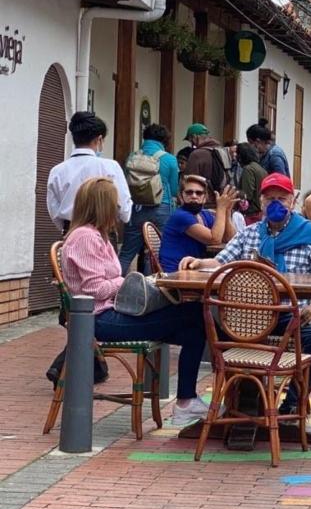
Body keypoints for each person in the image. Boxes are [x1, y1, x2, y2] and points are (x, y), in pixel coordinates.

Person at [180, 173, 311, 417]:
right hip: (250, 316)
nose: (275, 204)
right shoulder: (249, 234)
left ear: (292, 201)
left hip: (291, 315)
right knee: (208, 324)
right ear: (261, 202)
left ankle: (294, 403)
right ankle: (242, 402)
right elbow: (221, 262)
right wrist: (198, 263)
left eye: (281, 198)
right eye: (269, 198)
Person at [61, 177, 209, 427]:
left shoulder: (98, 235)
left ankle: (187, 400)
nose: (120, 208)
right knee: (195, 314)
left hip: (109, 312)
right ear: (103, 205)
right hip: (100, 319)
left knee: (194, 327)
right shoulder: (86, 238)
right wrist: (130, 281)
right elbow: (95, 289)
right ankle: (186, 400)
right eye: (115, 202)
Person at [46, 112, 132, 233]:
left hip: (71, 232)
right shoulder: (111, 167)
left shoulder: (57, 171)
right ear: (99, 139)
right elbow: (125, 211)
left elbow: (54, 211)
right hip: (103, 234)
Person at [115, 124, 178, 274]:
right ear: (165, 141)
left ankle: (115, 288)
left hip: (137, 208)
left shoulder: (132, 157)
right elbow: (174, 189)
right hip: (161, 208)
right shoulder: (170, 159)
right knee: (156, 253)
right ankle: (150, 290)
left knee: (126, 254)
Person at [158, 175, 236, 273]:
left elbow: (230, 238)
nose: (194, 196)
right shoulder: (180, 216)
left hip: (195, 268)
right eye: (189, 192)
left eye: (199, 193)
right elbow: (214, 239)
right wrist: (220, 208)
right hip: (176, 271)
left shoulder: (204, 214)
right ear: (181, 196)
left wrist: (227, 212)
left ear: (205, 198)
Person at [185, 125, 233, 196]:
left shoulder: (196, 155)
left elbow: (190, 180)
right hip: (221, 199)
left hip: (202, 200)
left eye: (190, 140)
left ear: (194, 137)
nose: (192, 144)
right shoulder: (222, 151)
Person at [235, 142, 267, 225]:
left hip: (251, 214)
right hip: (260, 212)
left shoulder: (248, 169)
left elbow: (247, 194)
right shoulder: (261, 169)